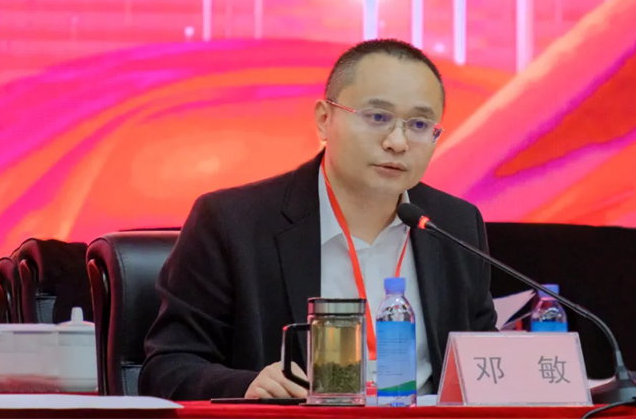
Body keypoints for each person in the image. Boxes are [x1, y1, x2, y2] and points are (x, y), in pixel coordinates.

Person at [139, 39, 497, 401]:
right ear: (325, 119)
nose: (397, 142)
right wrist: (246, 387)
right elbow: (167, 368)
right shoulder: (232, 223)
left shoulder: (455, 225)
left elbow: (486, 364)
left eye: (419, 124)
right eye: (377, 117)